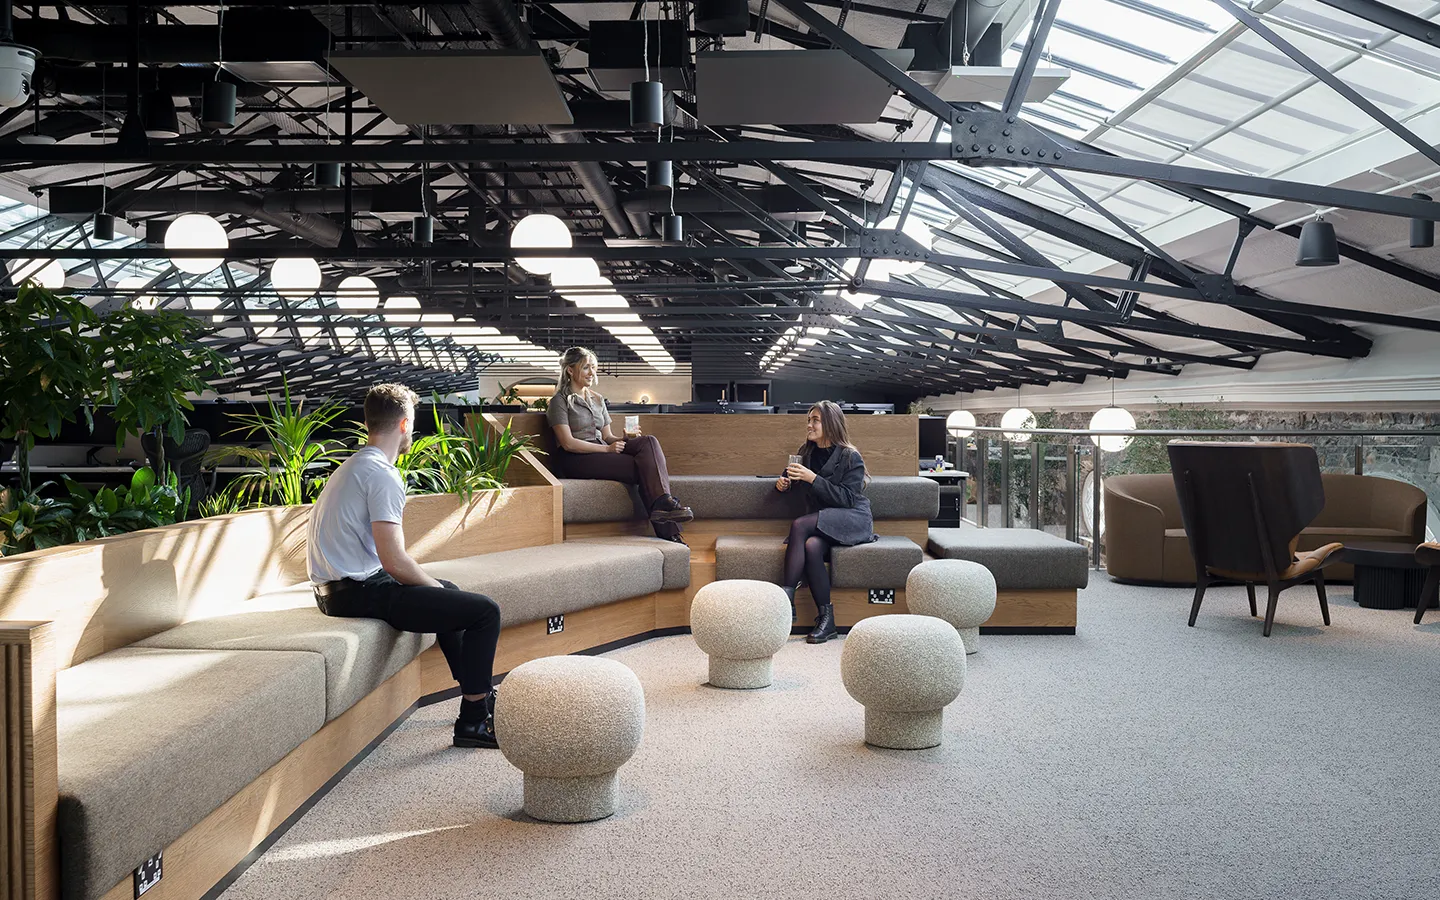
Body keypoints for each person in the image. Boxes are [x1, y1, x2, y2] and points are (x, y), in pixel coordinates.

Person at [308, 383, 503, 749]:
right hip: (356, 592)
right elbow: (394, 561)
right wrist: (431, 587)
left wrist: (437, 589)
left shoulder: (354, 465)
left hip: (336, 591)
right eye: (412, 423)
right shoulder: (381, 474)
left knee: (450, 594)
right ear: (404, 424)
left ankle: (477, 695)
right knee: (485, 612)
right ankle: (474, 721)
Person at [547, 346, 692, 543]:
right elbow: (568, 443)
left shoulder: (597, 399)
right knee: (644, 468)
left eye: (593, 367)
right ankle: (669, 530)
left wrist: (623, 439)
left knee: (648, 441)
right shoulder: (559, 401)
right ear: (570, 370)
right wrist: (607, 449)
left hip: (600, 450)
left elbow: (607, 436)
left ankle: (662, 505)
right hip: (575, 458)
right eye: (586, 367)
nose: (592, 373)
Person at [776, 400, 876, 644]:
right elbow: (793, 477)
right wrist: (784, 483)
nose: (809, 425)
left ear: (830, 424)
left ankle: (785, 601)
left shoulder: (850, 456)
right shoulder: (807, 452)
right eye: (809, 420)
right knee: (811, 546)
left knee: (800, 525)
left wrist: (813, 479)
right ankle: (827, 621)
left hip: (852, 517)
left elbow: (847, 499)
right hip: (824, 520)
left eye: (815, 421)